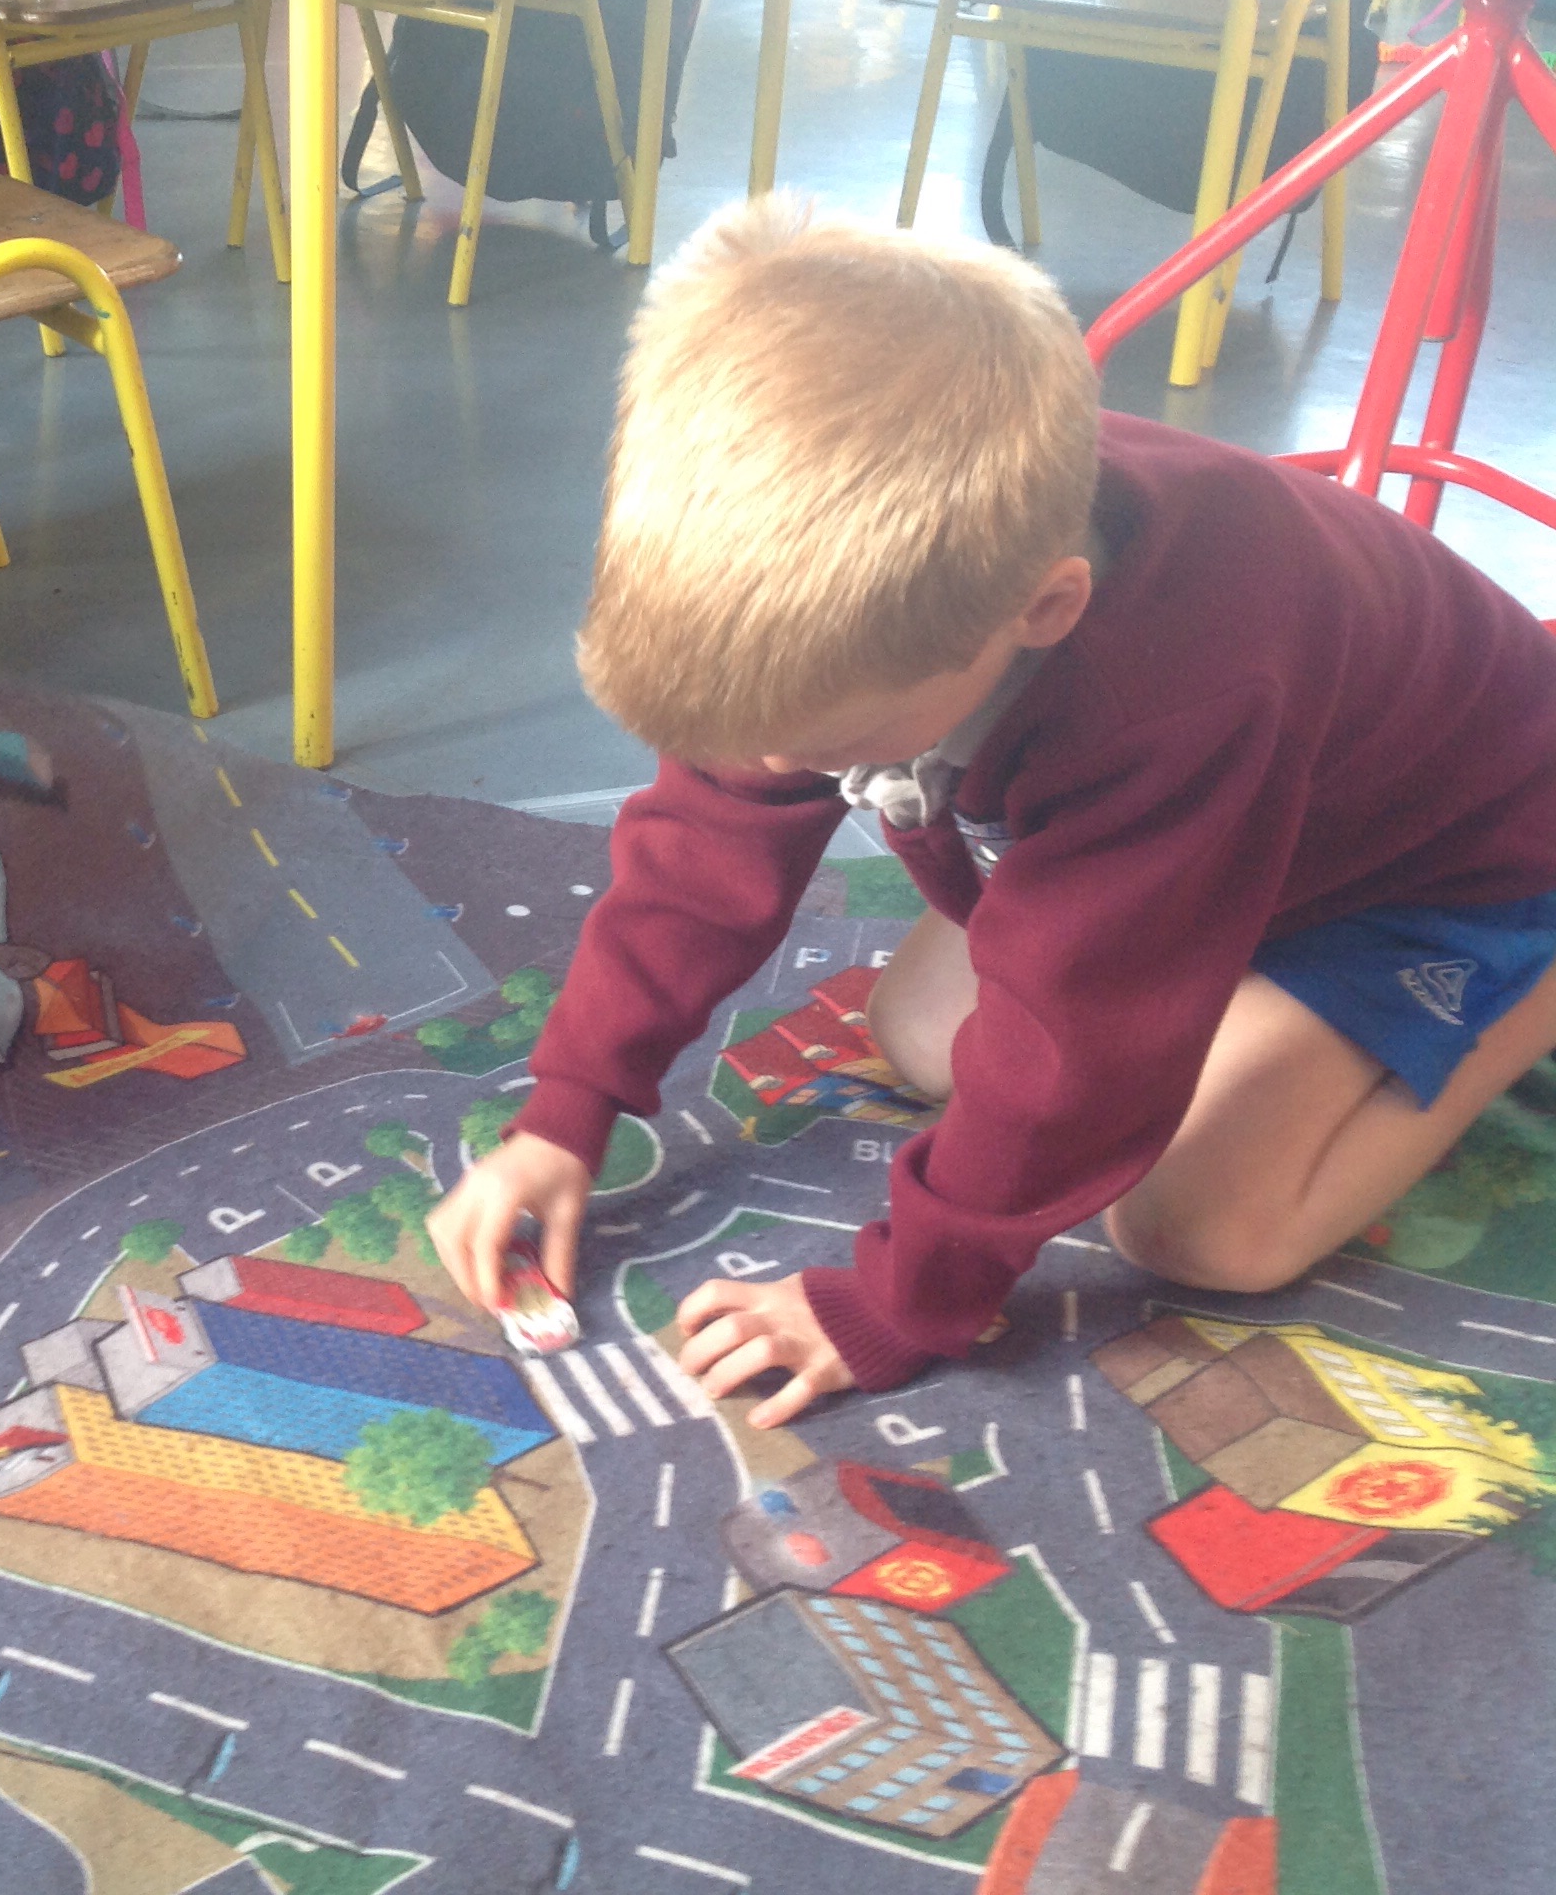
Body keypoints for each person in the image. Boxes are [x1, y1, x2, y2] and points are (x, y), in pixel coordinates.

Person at [430, 196, 1556, 1429]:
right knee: (925, 1040)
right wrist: (567, 1112)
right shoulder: (905, 567)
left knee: (1200, 1229)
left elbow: (1077, 1061)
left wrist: (901, 1302)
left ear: (1046, 611)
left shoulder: (1169, 699)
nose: (769, 770)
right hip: (1247, 828)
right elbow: (703, 853)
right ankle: (1208, 967)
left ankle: (1526, 985)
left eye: (829, 749)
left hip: (1462, 852)